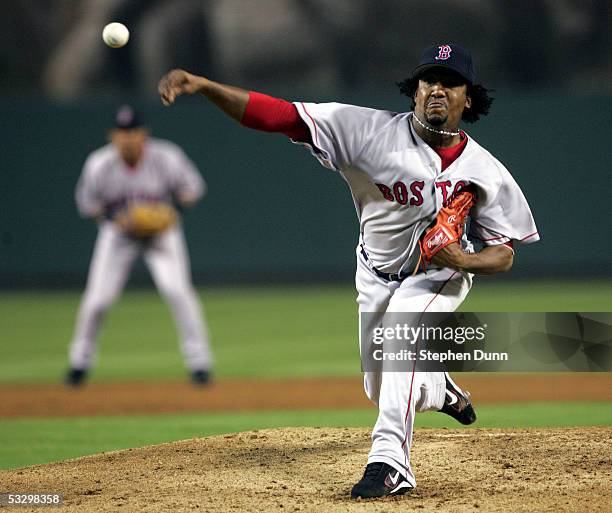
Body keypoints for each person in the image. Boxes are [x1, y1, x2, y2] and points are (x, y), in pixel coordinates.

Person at [158, 44, 539, 498]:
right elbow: (279, 116)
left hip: (437, 275)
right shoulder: (366, 131)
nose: (437, 88)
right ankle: (436, 388)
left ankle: (390, 462)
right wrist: (205, 86)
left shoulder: (486, 170)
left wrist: (463, 261)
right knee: (379, 386)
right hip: (375, 271)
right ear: (414, 92)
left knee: (404, 328)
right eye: (428, 79)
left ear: (468, 97)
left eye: (451, 81)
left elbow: (504, 251)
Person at [65, 105, 214, 387]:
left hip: (162, 235)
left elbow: (193, 188)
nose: (128, 137)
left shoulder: (166, 156)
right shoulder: (98, 163)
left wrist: (173, 212)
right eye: (122, 132)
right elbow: (87, 204)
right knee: (97, 300)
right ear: (112, 135)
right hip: (117, 236)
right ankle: (79, 363)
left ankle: (200, 364)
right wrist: (113, 218)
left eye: (133, 131)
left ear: (144, 133)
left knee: (178, 292)